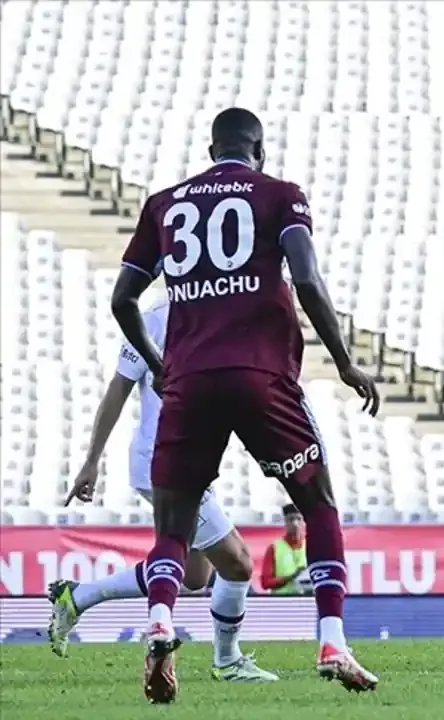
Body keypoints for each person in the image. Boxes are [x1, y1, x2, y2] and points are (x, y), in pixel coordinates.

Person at [111, 107, 382, 702]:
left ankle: (160, 620)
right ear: (259, 151)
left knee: (174, 526)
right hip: (262, 375)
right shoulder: (280, 195)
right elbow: (306, 279)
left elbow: (122, 299)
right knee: (318, 504)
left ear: (212, 151)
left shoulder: (164, 205)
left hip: (190, 381)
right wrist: (343, 361)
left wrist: (159, 364)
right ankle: (332, 641)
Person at [48, 294, 277, 682]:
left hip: (192, 460)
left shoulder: (223, 309)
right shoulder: (156, 317)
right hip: (164, 459)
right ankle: (227, 661)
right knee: (237, 562)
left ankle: (78, 596)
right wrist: (91, 461)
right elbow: (119, 387)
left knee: (194, 575)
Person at [260, 505, 312, 594]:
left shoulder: (312, 546)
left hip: (307, 599)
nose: (295, 524)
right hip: (283, 600)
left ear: (304, 522)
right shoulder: (274, 548)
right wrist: (291, 577)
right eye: (291, 519)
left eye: (299, 519)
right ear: (285, 522)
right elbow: (265, 582)